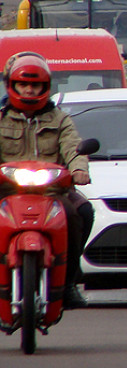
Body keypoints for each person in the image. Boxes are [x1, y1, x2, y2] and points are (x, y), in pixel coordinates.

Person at [0, 53, 94, 308]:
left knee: (82, 212)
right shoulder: (1, 119)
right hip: (6, 191)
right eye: (23, 84)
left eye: (35, 85)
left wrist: (78, 170)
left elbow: (74, 148)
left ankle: (69, 283)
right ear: (12, 85)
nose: (29, 90)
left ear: (46, 87)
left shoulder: (60, 119)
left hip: (51, 191)